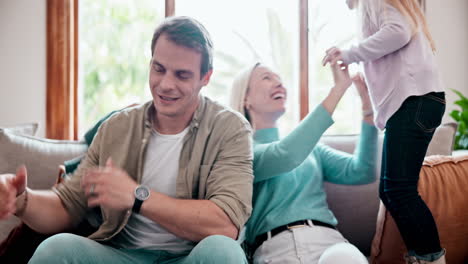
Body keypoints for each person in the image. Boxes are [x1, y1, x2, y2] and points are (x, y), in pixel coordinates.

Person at [0, 16, 253, 264]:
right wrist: (21, 200)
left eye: (182, 75)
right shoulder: (117, 127)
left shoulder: (230, 129)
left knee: (223, 251)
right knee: (57, 248)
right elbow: (66, 205)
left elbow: (225, 225)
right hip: (123, 254)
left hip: (191, 256)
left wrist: (137, 196)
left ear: (205, 77)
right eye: (159, 69)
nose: (165, 84)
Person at [322, 1, 446, 263]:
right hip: (420, 101)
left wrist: (349, 53)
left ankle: (429, 258)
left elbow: (398, 32)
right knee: (392, 191)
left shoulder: (372, 1)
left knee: (398, 190)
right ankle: (423, 257)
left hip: (414, 100)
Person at [230, 60, 378, 263]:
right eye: (267, 77)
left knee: (345, 257)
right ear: (246, 98)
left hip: (329, 243)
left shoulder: (312, 149)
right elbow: (285, 155)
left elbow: (362, 171)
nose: (279, 84)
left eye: (280, 80)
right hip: (274, 251)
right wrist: (337, 90)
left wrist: (368, 109)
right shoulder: (240, 153)